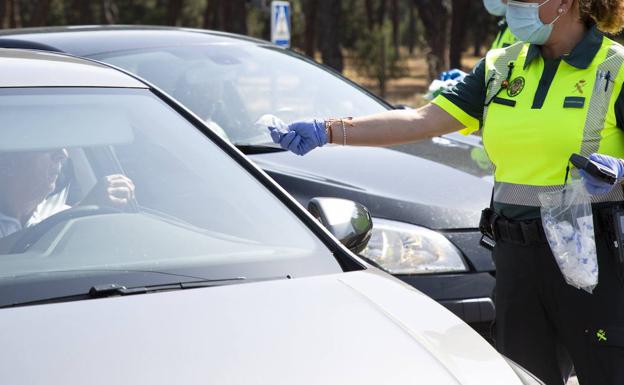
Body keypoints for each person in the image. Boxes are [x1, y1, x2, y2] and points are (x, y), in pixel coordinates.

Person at [269, 1, 624, 384]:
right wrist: (331, 129)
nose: (512, 8)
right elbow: (422, 120)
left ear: (564, 3)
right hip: (517, 262)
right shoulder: (501, 65)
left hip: (592, 259)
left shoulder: (615, 67)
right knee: (522, 376)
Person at [0, 148, 135, 238]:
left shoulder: (57, 213)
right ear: (8, 163)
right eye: (47, 146)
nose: (63, 154)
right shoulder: (67, 218)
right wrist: (81, 215)